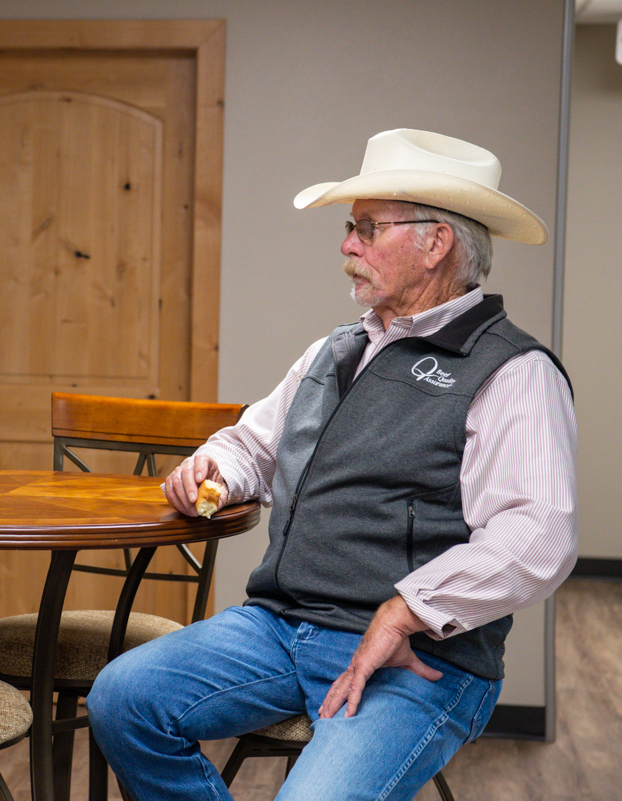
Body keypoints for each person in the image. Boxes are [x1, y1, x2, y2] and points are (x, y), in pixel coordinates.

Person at [86, 128, 577, 801]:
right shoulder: (335, 351)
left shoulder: (514, 373)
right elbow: (251, 446)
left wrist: (405, 612)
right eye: (351, 227)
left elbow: (537, 532)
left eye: (368, 228)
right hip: (278, 626)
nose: (347, 245)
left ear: (436, 244)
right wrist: (212, 470)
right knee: (123, 698)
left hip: (418, 659)